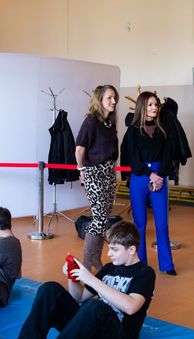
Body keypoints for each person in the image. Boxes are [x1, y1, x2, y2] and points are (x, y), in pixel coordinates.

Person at [0, 221, 155, 339]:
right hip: (87, 333)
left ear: (131, 249)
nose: (109, 254)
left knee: (95, 306)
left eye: (114, 249)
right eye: (109, 248)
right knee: (50, 288)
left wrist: (91, 279)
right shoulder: (109, 269)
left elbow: (131, 307)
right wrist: (73, 276)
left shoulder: (145, 273)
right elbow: (79, 297)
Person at [121, 91, 176, 275]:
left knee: (162, 223)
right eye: (150, 105)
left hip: (160, 177)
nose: (154, 108)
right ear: (142, 107)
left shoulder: (163, 129)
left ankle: (167, 264)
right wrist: (150, 174)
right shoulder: (133, 130)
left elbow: (168, 155)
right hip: (140, 177)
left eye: (156, 104)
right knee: (140, 223)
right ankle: (140, 264)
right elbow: (132, 157)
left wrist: (159, 176)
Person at [75, 85, 119, 273]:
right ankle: (87, 264)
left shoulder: (109, 123)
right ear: (99, 100)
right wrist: (81, 169)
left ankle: (95, 259)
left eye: (114, 98)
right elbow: (79, 149)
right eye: (109, 98)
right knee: (99, 217)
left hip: (109, 172)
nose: (114, 101)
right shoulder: (91, 121)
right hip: (94, 172)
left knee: (104, 218)